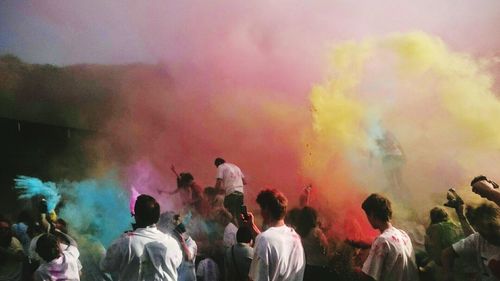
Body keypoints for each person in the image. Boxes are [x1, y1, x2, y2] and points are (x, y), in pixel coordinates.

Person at [100, 194, 182, 281]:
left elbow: (105, 266)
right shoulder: (172, 243)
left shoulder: (124, 243)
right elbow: (177, 264)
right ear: (158, 218)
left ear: (136, 217)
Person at [245, 189, 305, 281]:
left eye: (262, 208)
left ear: (266, 210)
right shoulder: (295, 238)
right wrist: (251, 226)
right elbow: (274, 242)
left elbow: (257, 278)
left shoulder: (264, 240)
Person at [360, 193, 419, 281]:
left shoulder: (382, 240)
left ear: (372, 214)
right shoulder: (404, 235)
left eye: (367, 215)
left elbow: (369, 277)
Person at [442, 203, 500, 281]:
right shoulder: (479, 238)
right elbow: (447, 254)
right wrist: (448, 274)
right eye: (482, 232)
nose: (487, 237)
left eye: (491, 230)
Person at [424, 207, 467, 281]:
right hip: (465, 267)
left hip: (448, 269)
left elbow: (437, 257)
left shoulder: (435, 228)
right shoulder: (458, 225)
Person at [296, 207, 330, 281]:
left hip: (306, 267)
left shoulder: (299, 233)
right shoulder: (316, 232)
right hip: (319, 268)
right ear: (313, 218)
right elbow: (326, 248)